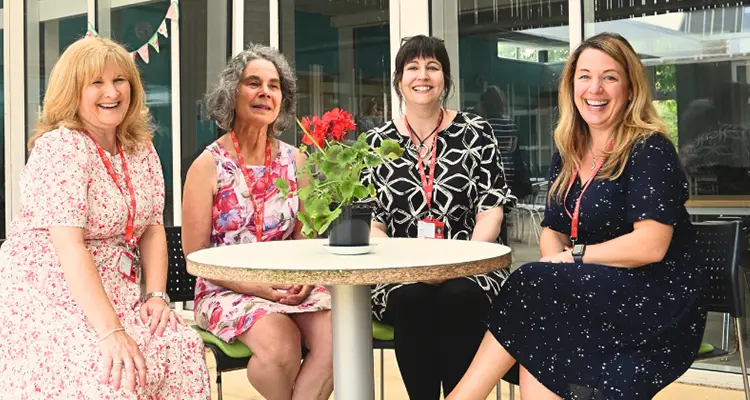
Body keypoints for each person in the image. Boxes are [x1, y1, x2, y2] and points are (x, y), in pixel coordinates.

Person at [448, 32, 706, 400]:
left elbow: (651, 245)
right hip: (597, 285)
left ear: (631, 89)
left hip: (655, 295)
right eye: (584, 76)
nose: (594, 88)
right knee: (541, 300)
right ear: (571, 86)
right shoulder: (569, 148)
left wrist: (575, 258)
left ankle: (462, 397)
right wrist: (559, 263)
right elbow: (552, 229)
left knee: (535, 284)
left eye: (610, 77)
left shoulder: (649, 148)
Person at [0, 37, 210, 398]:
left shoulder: (139, 146)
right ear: (73, 92)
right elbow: (70, 248)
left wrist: (157, 295)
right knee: (113, 374)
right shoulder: (61, 148)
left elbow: (152, 227)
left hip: (114, 289)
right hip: (48, 292)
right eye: (96, 83)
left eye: (119, 80)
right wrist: (112, 331)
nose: (111, 92)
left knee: (181, 345)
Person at [361, 35, 516, 399]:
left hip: (470, 267)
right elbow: (373, 223)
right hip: (399, 273)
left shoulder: (476, 131)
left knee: (458, 296)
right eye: (412, 67)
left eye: (433, 67)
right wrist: (411, 266)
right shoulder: (377, 142)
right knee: (413, 298)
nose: (423, 75)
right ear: (399, 79)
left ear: (446, 78)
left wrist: (458, 264)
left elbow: (490, 211)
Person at [181, 43, 333, 400]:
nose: (265, 92)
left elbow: (305, 240)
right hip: (226, 288)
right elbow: (196, 256)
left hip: (291, 283)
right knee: (281, 343)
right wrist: (255, 286)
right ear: (231, 93)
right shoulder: (208, 165)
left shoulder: (297, 161)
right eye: (254, 83)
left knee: (341, 337)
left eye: (274, 85)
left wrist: (307, 279)